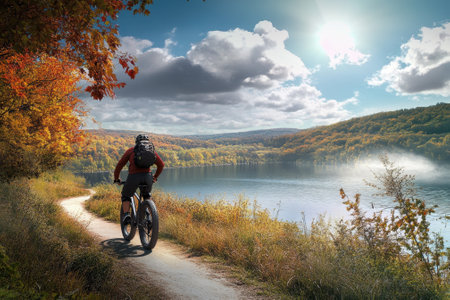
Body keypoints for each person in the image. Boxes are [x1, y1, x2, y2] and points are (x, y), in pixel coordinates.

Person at [114, 134, 164, 223]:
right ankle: (150, 217)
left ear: (136, 142)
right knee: (146, 196)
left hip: (134, 177)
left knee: (126, 195)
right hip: (148, 177)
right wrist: (155, 177)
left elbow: (119, 165)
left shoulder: (131, 151)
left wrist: (117, 178)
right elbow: (161, 165)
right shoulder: (152, 152)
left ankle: (126, 215)